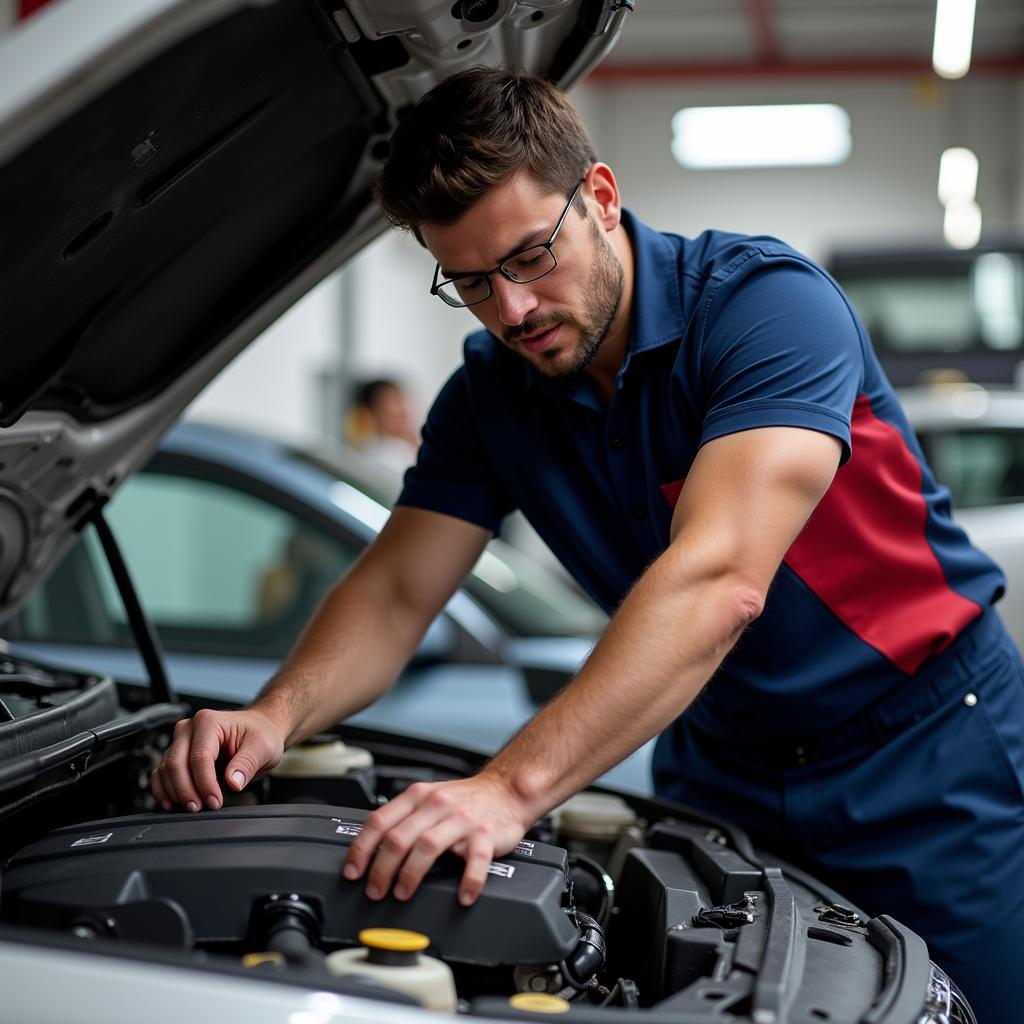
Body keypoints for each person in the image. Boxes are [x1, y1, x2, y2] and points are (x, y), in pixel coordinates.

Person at [151, 68, 1024, 1020]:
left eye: (530, 257)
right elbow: (398, 590)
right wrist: (279, 714)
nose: (511, 311)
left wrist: (506, 789)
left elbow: (721, 578)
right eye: (473, 283)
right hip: (723, 761)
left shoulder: (764, 308)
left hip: (924, 752)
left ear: (600, 198)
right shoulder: (490, 398)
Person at [346, 377, 420, 474]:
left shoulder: (405, 445)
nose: (403, 410)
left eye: (401, 400)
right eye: (394, 402)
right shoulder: (384, 455)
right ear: (372, 412)